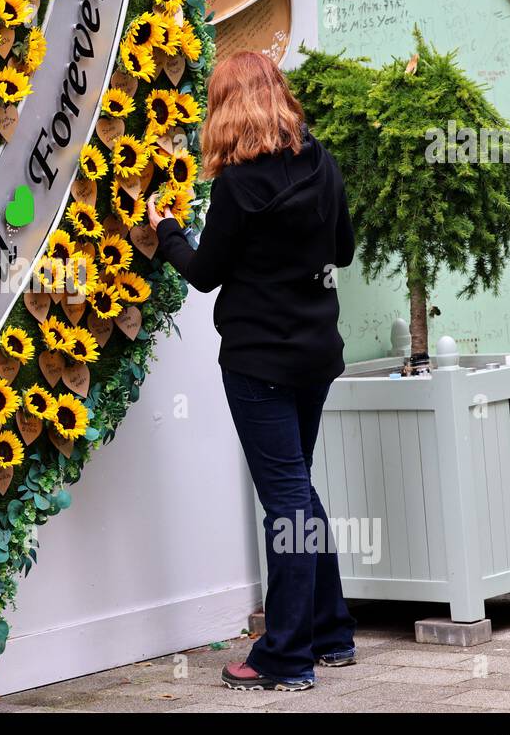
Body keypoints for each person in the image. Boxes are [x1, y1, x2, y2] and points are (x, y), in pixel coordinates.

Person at [147, 49, 358, 692]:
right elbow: (343, 250)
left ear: (225, 109)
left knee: (286, 501)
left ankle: (285, 658)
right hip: (317, 356)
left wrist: (165, 232)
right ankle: (331, 635)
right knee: (299, 490)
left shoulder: (236, 184)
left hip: (259, 364)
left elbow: (206, 273)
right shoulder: (319, 161)